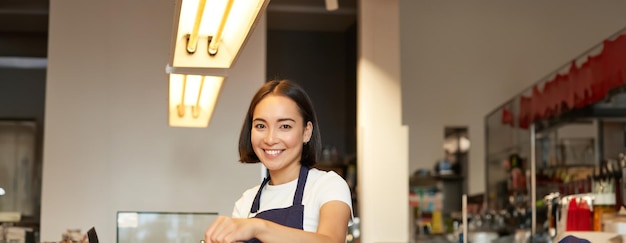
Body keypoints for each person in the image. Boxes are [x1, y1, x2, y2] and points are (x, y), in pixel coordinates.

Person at [204, 80, 353, 243]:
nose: (270, 139)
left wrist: (258, 228)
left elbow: (332, 240)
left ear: (306, 132)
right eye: (261, 126)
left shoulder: (327, 185)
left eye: (285, 126)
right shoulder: (246, 201)